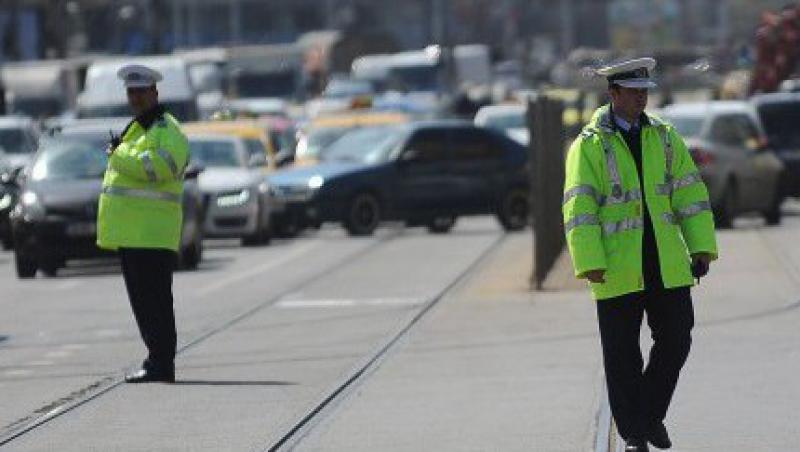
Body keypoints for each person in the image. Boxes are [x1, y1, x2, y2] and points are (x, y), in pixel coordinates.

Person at [562, 58, 718, 451]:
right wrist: (589, 261)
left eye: (644, 91)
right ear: (612, 94)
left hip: (665, 262)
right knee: (622, 356)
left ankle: (648, 416)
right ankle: (635, 434)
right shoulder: (589, 146)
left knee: (677, 340)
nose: (641, 98)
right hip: (615, 267)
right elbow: (579, 208)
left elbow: (690, 194)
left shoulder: (665, 137)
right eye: (633, 91)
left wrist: (700, 246)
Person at [96, 64, 190, 383]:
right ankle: (155, 360)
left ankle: (161, 364)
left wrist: (118, 155)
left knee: (155, 303)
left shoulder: (167, 129)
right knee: (144, 304)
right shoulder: (138, 129)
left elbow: (160, 168)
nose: (135, 98)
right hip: (133, 234)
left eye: (141, 92)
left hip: (152, 233)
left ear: (154, 93)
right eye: (131, 92)